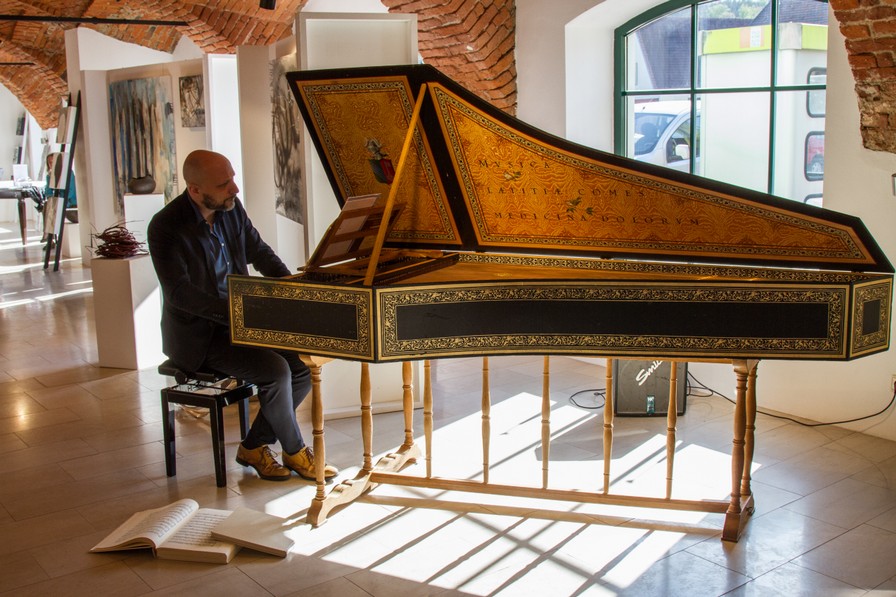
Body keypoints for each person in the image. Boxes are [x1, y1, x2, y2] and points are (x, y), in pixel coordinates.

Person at [147, 149, 337, 482]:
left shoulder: (231, 209)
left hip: (241, 323)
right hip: (199, 336)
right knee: (275, 371)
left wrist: (290, 289)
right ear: (195, 190)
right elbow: (180, 294)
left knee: (302, 365)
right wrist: (238, 313)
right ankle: (295, 451)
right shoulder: (165, 226)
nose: (234, 188)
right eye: (224, 184)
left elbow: (259, 253)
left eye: (232, 178)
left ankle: (254, 446)